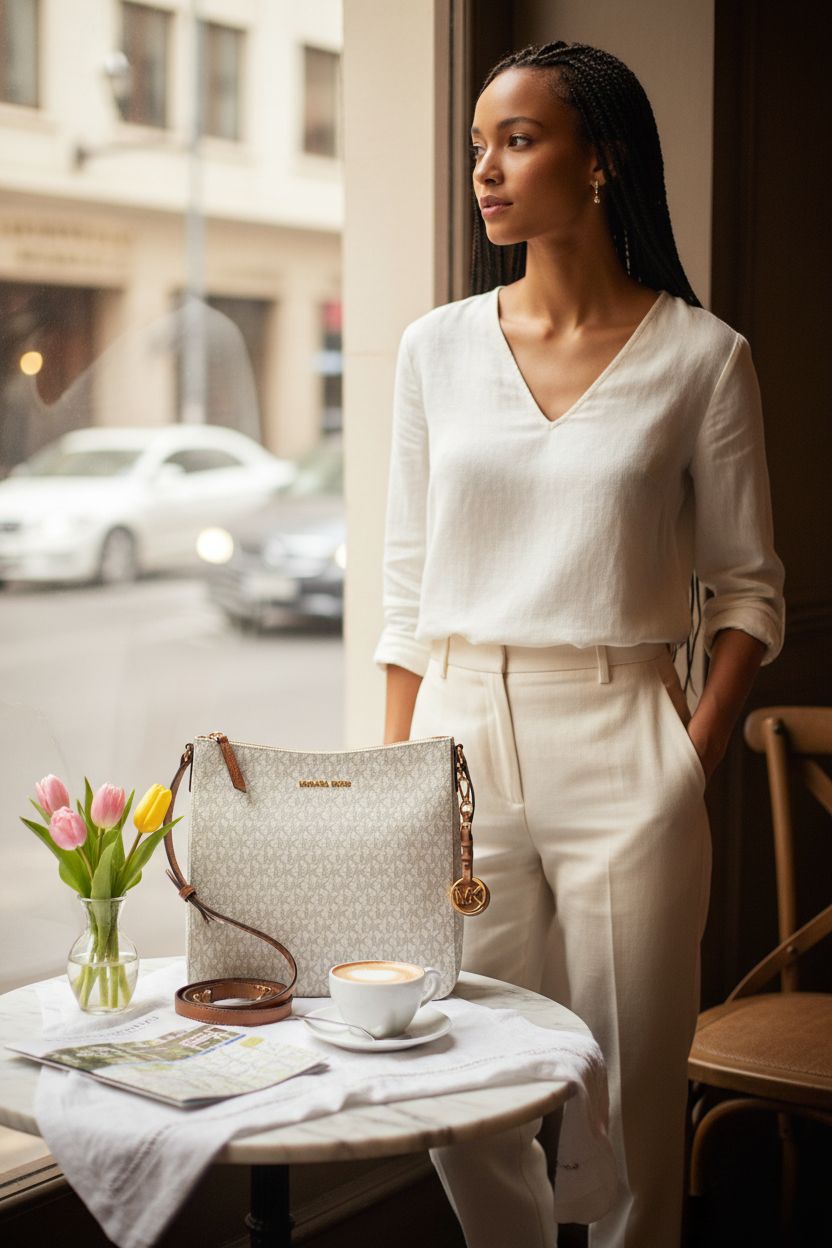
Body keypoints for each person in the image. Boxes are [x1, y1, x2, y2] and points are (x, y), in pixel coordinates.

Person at [372, 39, 785, 1248]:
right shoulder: (433, 351)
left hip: (624, 739)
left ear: (598, 161)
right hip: (455, 736)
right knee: (461, 1077)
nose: (485, 173)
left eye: (518, 139)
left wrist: (684, 764)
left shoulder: (703, 359)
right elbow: (404, 587)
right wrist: (399, 776)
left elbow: (749, 592)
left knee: (633, 1088)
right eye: (476, 147)